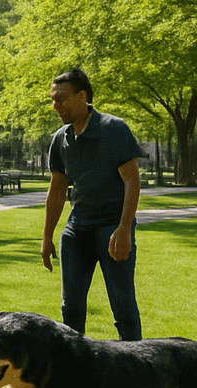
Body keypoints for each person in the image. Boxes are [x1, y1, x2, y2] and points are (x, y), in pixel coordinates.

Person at [41, 68, 145, 341]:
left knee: (123, 308)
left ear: (82, 96)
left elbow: (132, 182)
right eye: (53, 100)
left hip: (111, 228)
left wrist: (124, 229)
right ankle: (76, 374)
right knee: (70, 310)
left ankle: (136, 372)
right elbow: (57, 190)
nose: (56, 106)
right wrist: (47, 236)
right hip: (77, 231)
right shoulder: (60, 139)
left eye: (61, 99)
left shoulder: (113, 129)